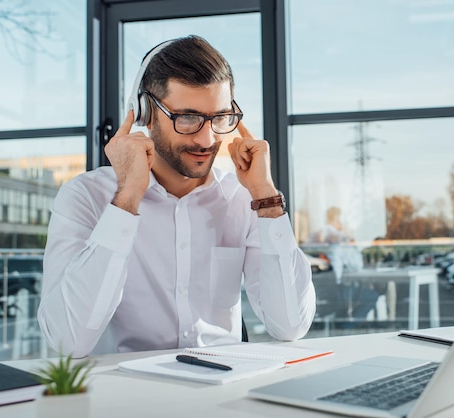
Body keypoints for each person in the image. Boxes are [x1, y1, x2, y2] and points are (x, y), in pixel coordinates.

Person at [37, 35, 316, 358]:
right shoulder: (85, 196)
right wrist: (127, 199)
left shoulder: (242, 198)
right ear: (145, 113)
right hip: (122, 397)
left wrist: (266, 196)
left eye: (219, 118)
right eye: (187, 118)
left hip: (221, 395)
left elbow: (291, 325)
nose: (207, 139)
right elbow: (66, 342)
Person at [322, 207, 378, 322]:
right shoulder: (338, 241)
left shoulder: (325, 237)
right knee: (372, 296)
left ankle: (345, 322)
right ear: (337, 221)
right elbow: (357, 265)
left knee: (358, 293)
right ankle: (348, 327)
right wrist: (349, 238)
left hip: (323, 290)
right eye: (340, 220)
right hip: (336, 290)